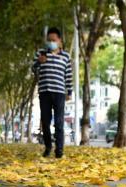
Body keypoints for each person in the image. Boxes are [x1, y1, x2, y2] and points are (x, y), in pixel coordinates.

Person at [31, 27, 72, 158]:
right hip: (44, 92)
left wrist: (69, 92)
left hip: (59, 93)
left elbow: (68, 75)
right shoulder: (41, 53)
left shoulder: (66, 56)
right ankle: (48, 147)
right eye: (49, 40)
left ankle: (59, 150)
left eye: (53, 40)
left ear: (59, 41)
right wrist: (38, 62)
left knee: (59, 122)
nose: (51, 42)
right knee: (45, 122)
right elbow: (32, 68)